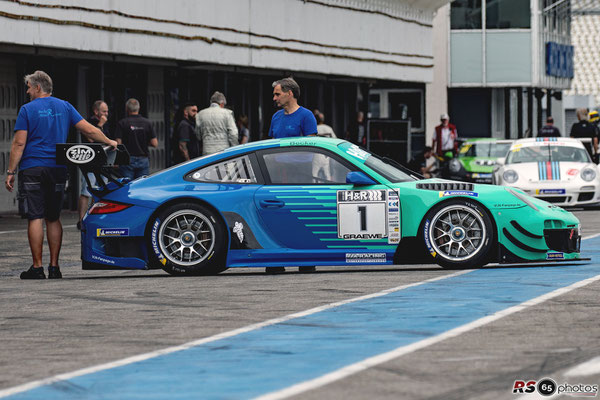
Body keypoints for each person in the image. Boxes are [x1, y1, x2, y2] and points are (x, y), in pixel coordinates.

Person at [4, 70, 117, 279]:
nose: (27, 91)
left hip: (33, 168)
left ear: (38, 87)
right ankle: (54, 267)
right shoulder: (65, 106)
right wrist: (109, 141)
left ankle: (37, 268)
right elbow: (89, 130)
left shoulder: (27, 110)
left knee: (35, 216)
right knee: (53, 217)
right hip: (57, 168)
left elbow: (19, 143)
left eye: (29, 87)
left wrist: (10, 171)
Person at [267, 78, 317, 274]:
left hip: (300, 174)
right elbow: (271, 145)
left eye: (278, 94)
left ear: (290, 93)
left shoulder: (306, 116)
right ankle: (276, 259)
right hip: (277, 174)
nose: (275, 98)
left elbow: (312, 147)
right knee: (277, 215)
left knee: (301, 215)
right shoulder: (276, 117)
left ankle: (305, 259)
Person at [77, 100, 111, 229]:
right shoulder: (88, 123)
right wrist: (100, 125)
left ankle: (94, 217)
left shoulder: (106, 123)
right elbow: (92, 139)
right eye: (103, 111)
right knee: (86, 191)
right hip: (89, 161)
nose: (106, 114)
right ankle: (81, 220)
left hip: (102, 161)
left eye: (107, 111)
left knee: (102, 191)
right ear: (96, 111)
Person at [115, 98, 157, 180]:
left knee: (126, 186)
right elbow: (155, 143)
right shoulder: (147, 123)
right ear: (139, 108)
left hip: (127, 159)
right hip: (143, 159)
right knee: (141, 186)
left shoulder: (122, 123)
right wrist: (144, 142)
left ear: (126, 108)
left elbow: (118, 144)